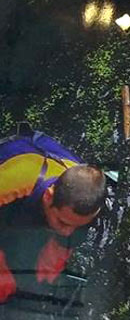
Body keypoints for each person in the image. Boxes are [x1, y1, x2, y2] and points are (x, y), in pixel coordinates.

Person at [0, 129, 106, 303]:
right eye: (63, 222)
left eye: (77, 226)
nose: (68, 232)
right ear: (48, 196)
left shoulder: (87, 195)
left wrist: (54, 258)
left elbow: (68, 238)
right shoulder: (11, 180)